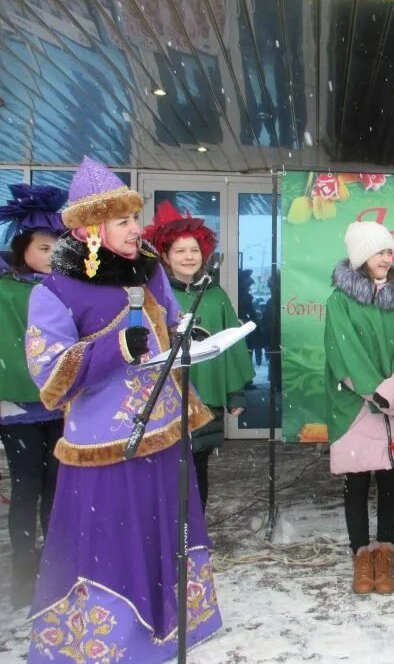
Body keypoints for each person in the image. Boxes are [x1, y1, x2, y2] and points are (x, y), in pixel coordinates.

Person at [24, 157, 221, 660]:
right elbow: (49, 376)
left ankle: (175, 625)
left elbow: (169, 321)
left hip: (164, 428)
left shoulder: (150, 271)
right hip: (105, 446)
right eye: (123, 221)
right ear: (91, 230)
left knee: (164, 530)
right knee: (111, 543)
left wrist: (185, 334)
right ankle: (115, 641)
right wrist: (118, 348)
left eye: (135, 218)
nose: (137, 229)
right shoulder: (56, 290)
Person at [324, 220, 394, 595]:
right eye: (379, 251)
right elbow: (342, 353)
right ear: (361, 256)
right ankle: (361, 558)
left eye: (388, 251)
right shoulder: (340, 301)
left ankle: (385, 556)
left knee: (389, 482)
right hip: (355, 407)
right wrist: (377, 394)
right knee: (356, 482)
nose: (387, 257)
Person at [144, 200, 255, 511]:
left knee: (198, 467)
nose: (188, 257)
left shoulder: (216, 296)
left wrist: (236, 393)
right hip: (167, 396)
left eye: (193, 250)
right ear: (165, 256)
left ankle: (194, 534)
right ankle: (169, 533)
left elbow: (232, 347)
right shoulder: (155, 297)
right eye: (180, 251)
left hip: (205, 398)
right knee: (166, 468)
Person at [0, 184, 67, 607]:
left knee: (58, 487)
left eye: (57, 249)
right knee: (26, 485)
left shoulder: (65, 289)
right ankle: (24, 570)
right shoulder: (5, 290)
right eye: (44, 247)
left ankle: (56, 566)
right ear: (23, 247)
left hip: (60, 402)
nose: (51, 256)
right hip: (17, 406)